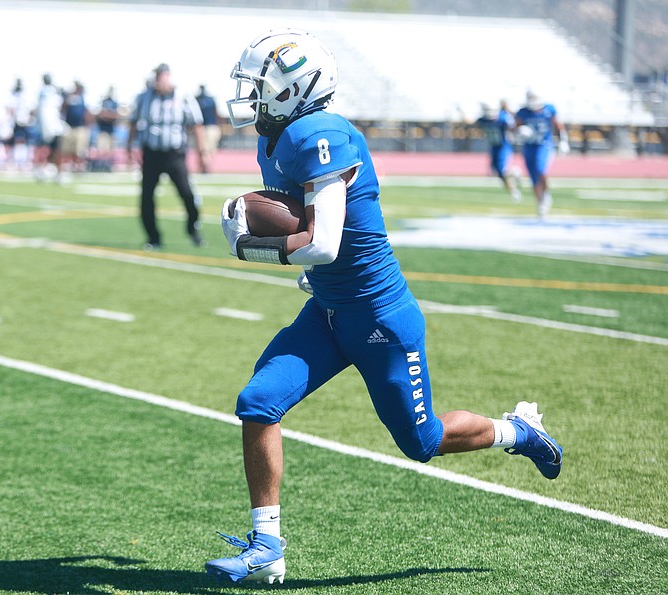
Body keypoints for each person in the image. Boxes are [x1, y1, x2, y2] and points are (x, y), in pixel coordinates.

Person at [206, 29, 563, 586]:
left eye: (262, 86)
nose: (252, 96)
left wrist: (253, 245)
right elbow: (309, 226)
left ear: (297, 89)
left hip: (378, 318)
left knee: (421, 443)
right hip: (328, 312)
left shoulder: (323, 133)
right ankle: (267, 545)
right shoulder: (276, 139)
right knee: (258, 401)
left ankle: (516, 430)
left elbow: (323, 243)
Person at [126, 63, 210, 250]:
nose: (158, 81)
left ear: (168, 77)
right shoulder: (144, 98)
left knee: (187, 194)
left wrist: (202, 152)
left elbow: (196, 125)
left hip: (175, 154)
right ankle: (153, 237)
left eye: (161, 77)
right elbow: (133, 122)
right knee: (146, 197)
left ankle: (192, 228)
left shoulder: (184, 97)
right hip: (152, 153)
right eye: (156, 77)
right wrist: (130, 146)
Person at [515, 91, 570, 218]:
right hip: (529, 146)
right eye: (530, 98)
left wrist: (563, 140)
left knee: (541, 170)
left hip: (544, 145)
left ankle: (545, 194)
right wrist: (520, 132)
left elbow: (558, 125)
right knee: (533, 178)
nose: (532, 100)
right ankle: (540, 203)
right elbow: (515, 129)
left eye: (533, 97)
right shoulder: (523, 112)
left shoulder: (549, 109)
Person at [475, 100, 521, 202]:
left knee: (502, 170)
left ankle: (514, 185)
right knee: (498, 173)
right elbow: (472, 123)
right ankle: (513, 176)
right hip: (493, 147)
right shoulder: (483, 120)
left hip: (504, 146)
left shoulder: (503, 118)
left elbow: (513, 126)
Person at [33, 73, 64, 182]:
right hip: (50, 125)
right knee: (51, 150)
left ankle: (46, 171)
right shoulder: (50, 91)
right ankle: (46, 171)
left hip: (51, 125)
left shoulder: (46, 91)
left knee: (52, 150)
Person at [61, 81, 91, 172]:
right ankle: (72, 165)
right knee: (68, 149)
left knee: (80, 149)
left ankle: (78, 166)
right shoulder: (69, 97)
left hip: (80, 127)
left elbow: (88, 113)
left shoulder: (84, 98)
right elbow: (63, 109)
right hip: (69, 127)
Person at [195, 84, 221, 169]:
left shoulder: (198, 100)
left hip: (205, 127)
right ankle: (206, 167)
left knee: (205, 150)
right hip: (209, 127)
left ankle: (205, 167)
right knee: (206, 150)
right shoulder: (210, 100)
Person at [95, 86, 119, 171]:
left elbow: (115, 115)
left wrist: (107, 115)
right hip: (103, 129)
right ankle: (101, 165)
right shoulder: (104, 102)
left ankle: (108, 165)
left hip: (111, 130)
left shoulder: (115, 103)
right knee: (102, 148)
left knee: (110, 149)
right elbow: (100, 114)